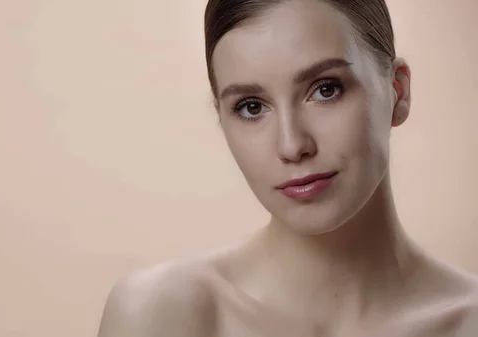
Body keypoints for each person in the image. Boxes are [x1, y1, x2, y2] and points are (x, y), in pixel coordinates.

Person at [97, 0, 478, 335]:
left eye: (325, 89)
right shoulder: (159, 316)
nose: (292, 145)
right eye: (251, 106)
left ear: (398, 90)